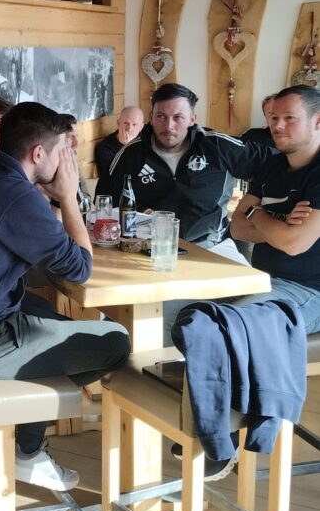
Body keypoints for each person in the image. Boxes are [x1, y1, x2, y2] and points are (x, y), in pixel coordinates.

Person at [0, 102, 130, 491]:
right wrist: (67, 196)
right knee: (116, 341)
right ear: (37, 154)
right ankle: (28, 452)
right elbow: (79, 267)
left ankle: (27, 446)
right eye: (62, 152)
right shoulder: (15, 196)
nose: (67, 161)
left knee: (46, 310)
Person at [96, 82, 271, 261]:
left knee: (250, 280)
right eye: (161, 116)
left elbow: (273, 163)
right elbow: (107, 199)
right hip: (150, 247)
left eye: (178, 117)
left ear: (192, 119)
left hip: (212, 245)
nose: (168, 126)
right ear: (151, 117)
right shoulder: (130, 154)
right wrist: (143, 211)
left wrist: (254, 206)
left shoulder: (217, 146)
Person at [227, 84, 320, 334]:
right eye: (274, 117)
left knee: (226, 327)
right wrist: (281, 226)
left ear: (317, 121)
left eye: (289, 118)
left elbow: (293, 243)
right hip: (260, 280)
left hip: (309, 291)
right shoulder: (272, 165)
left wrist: (256, 213)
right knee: (185, 311)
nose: (277, 126)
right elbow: (237, 227)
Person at [94, 105, 145, 178]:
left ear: (141, 127)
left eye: (134, 124)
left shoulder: (146, 140)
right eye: (126, 123)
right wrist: (127, 147)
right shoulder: (105, 147)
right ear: (118, 123)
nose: (129, 128)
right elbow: (118, 175)